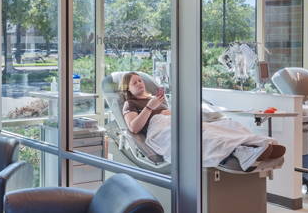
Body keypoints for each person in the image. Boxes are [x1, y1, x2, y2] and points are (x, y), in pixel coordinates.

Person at [119, 72, 286, 169]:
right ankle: (240, 152)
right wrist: (149, 107)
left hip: (173, 122)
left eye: (140, 80)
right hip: (158, 131)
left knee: (225, 125)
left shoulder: (157, 98)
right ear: (128, 88)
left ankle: (255, 145)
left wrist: (169, 111)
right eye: (134, 83)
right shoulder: (130, 103)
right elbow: (134, 128)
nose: (139, 83)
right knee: (204, 133)